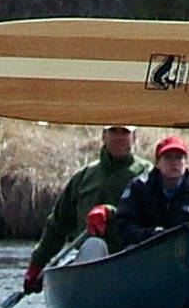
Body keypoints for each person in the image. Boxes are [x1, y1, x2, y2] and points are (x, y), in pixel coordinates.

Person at [20, 124, 151, 293]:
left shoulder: (147, 174)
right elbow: (58, 225)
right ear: (103, 135)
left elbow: (154, 214)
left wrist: (109, 212)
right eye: (113, 131)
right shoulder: (84, 176)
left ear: (134, 137)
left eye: (125, 132)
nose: (119, 137)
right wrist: (36, 265)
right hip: (90, 255)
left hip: (131, 256)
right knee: (93, 244)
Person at [115, 134, 189, 246]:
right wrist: (152, 235)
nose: (174, 163)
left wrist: (183, 240)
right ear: (157, 163)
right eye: (168, 157)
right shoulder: (139, 187)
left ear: (186, 162)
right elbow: (124, 226)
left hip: (185, 253)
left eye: (179, 157)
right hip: (145, 250)